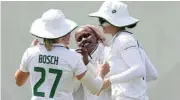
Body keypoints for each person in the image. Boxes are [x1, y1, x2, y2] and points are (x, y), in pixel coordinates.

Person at [14, 9, 110, 100]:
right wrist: (102, 73)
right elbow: (95, 89)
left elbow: (19, 82)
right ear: (64, 34)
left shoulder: (30, 52)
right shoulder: (73, 56)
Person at [88, 1, 158, 100]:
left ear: (113, 21)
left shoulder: (123, 40)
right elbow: (152, 73)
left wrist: (110, 81)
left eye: (103, 20)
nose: (100, 24)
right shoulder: (127, 39)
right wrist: (135, 87)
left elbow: (139, 69)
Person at [73, 25, 111, 100]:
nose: (83, 40)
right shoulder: (78, 59)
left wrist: (86, 63)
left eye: (87, 35)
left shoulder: (109, 53)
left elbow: (108, 84)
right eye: (79, 39)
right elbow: (74, 88)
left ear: (96, 37)